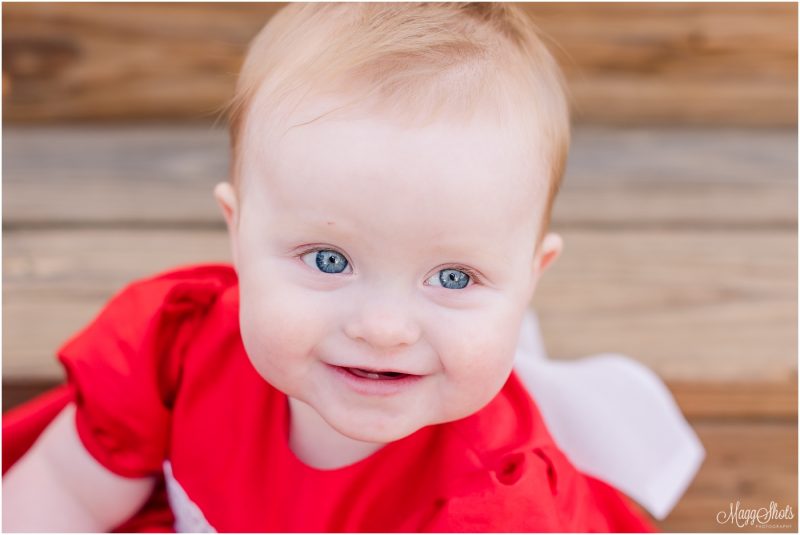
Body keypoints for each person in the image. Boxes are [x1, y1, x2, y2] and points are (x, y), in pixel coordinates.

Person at [3, 3, 659, 531]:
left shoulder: (493, 512)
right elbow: (68, 489)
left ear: (531, 277)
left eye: (454, 277)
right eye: (328, 259)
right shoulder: (181, 348)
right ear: (238, 235)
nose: (383, 327)